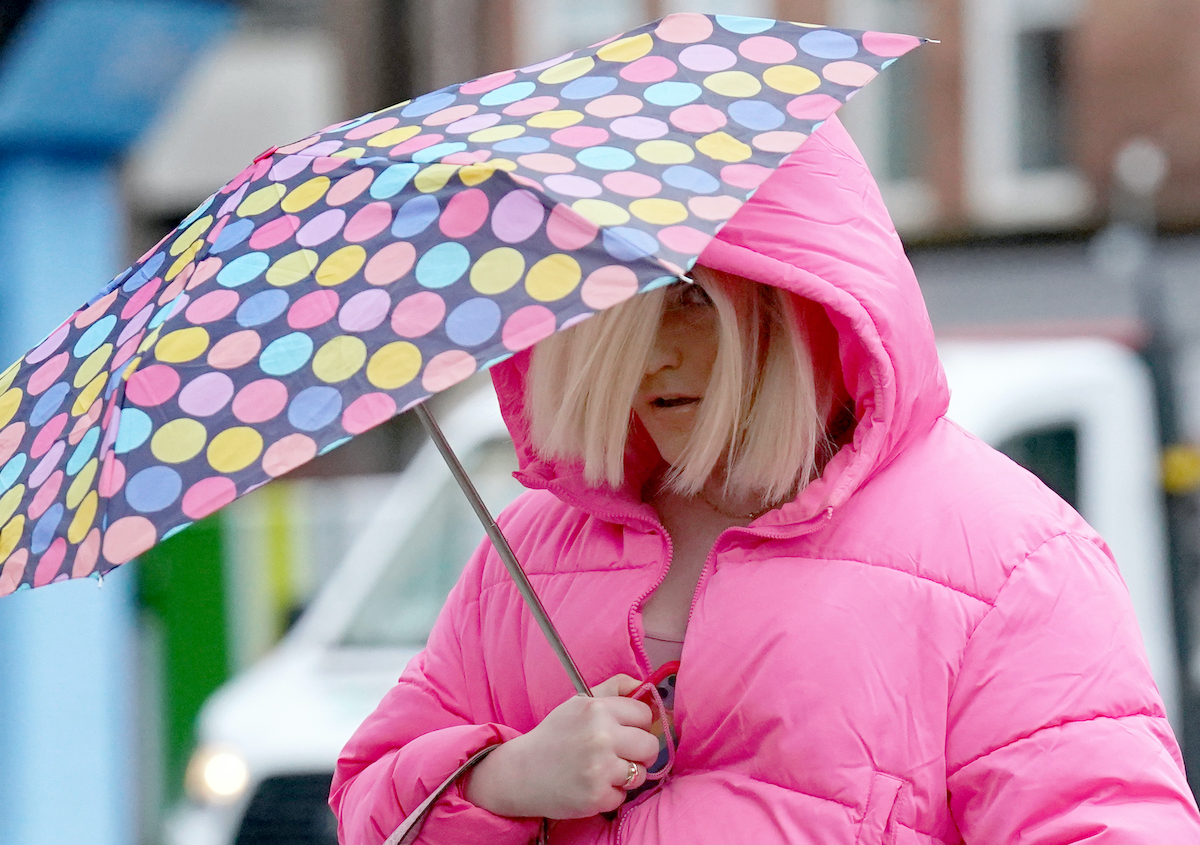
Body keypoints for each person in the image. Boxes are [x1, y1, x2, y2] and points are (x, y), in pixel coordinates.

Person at [330, 115, 1200, 843]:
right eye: (612, 312)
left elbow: (1101, 821)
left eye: (694, 299)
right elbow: (368, 804)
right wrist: (505, 779)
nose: (653, 354)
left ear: (804, 302)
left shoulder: (1008, 559)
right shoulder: (527, 553)